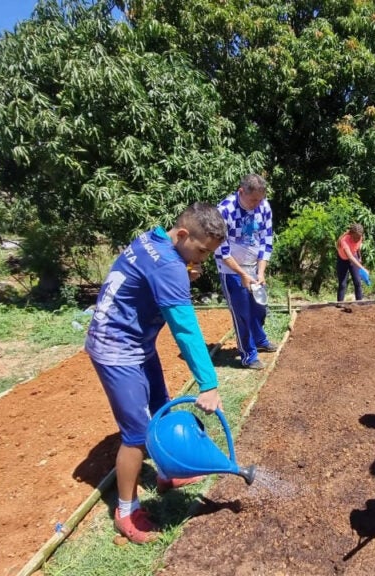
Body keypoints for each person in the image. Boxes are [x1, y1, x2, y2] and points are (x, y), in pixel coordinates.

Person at [85, 202, 227, 544]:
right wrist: (208, 382)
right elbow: (186, 328)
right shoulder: (169, 266)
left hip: (137, 342)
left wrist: (183, 266)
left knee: (161, 405)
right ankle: (126, 510)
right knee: (136, 434)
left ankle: (166, 475)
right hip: (116, 348)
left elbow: (151, 272)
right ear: (182, 234)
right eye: (201, 251)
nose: (202, 260)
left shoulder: (154, 240)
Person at [215, 174, 277, 370]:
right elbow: (222, 250)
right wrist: (242, 274)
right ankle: (248, 354)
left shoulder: (264, 207)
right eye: (253, 200)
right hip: (231, 270)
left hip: (254, 267)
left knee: (259, 307)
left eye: (260, 199)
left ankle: (259, 339)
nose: (256, 204)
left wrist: (261, 272)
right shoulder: (224, 211)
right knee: (242, 312)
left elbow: (266, 240)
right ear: (241, 192)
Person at [336, 222, 369, 301]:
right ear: (351, 234)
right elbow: (350, 257)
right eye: (355, 237)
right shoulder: (344, 240)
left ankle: (359, 304)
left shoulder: (360, 237)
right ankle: (339, 305)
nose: (357, 239)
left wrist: (359, 257)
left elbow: (357, 248)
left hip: (354, 256)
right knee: (343, 284)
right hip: (343, 260)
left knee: (358, 282)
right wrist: (363, 268)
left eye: (359, 237)